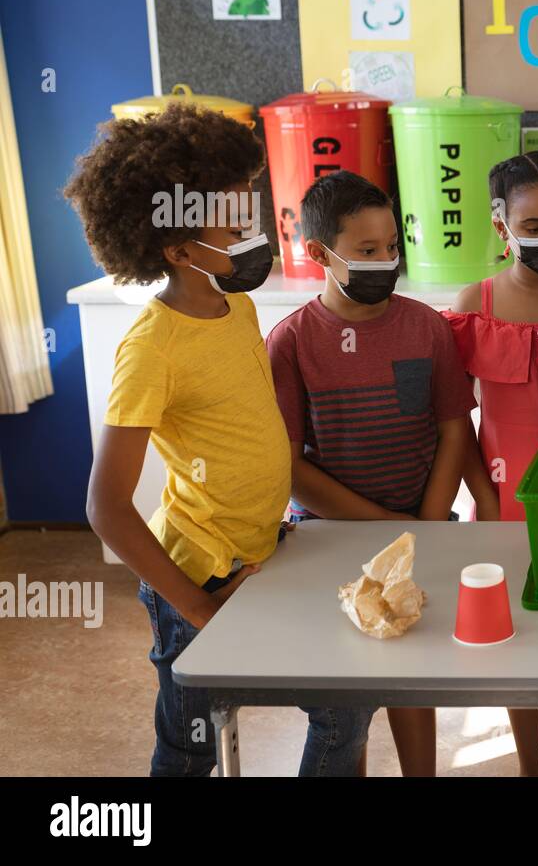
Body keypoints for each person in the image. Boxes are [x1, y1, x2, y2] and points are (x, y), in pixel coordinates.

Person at [69, 104, 372, 775]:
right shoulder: (151, 349)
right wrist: (199, 607)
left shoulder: (235, 305)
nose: (253, 234)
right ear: (176, 250)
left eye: (251, 215)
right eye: (234, 227)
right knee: (191, 746)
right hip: (199, 575)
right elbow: (106, 507)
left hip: (261, 553)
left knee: (344, 704)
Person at [265, 170, 475, 777]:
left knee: (415, 679)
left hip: (422, 528)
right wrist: (385, 523)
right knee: (344, 700)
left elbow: (454, 429)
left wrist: (427, 525)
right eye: (366, 251)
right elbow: (289, 465)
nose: (385, 261)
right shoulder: (292, 342)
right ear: (318, 255)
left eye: (391, 247)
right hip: (330, 540)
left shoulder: (426, 327)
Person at [445, 149, 538, 776]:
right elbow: (457, 421)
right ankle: (530, 764)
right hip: (504, 508)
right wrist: (489, 501)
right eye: (533, 227)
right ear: (502, 227)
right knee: (518, 639)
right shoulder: (473, 301)